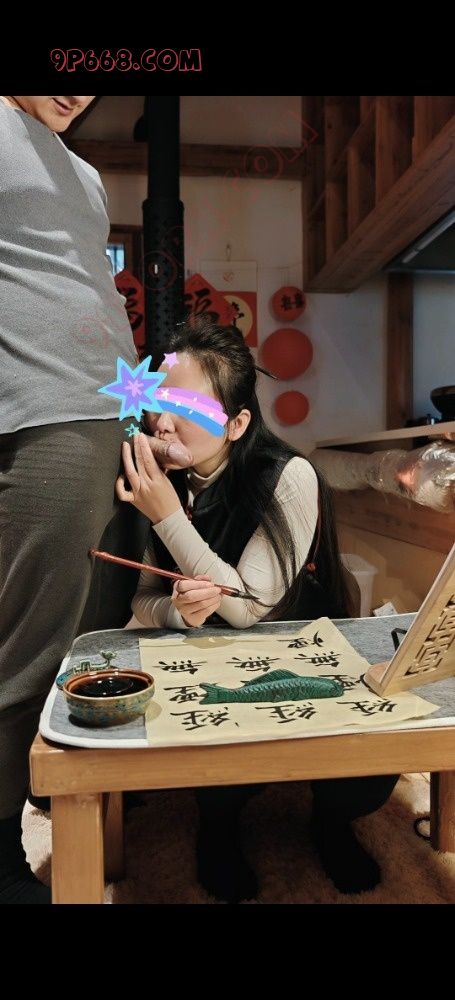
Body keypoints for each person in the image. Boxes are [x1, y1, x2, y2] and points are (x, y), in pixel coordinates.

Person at [117, 317, 399, 903]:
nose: (162, 423)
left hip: (308, 647)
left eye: (186, 407)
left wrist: (166, 515)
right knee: (217, 760)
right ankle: (218, 825)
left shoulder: (288, 475)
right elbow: (142, 597)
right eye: (157, 403)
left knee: (365, 772)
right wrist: (178, 613)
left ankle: (331, 822)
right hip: (219, 660)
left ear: (237, 422)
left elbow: (250, 604)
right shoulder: (158, 477)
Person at [0, 96, 149, 904]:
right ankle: (0, 853)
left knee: (97, 627)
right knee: (30, 640)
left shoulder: (85, 175)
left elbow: (89, 289)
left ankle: (47, 783)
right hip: (43, 404)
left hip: (112, 409)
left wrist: (141, 403)